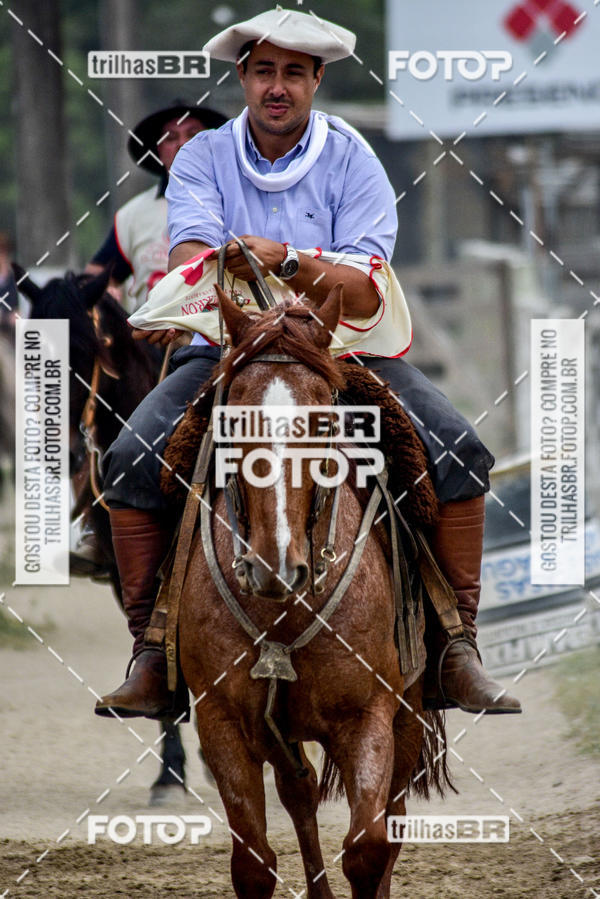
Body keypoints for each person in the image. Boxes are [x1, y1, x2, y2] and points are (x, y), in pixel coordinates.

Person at [95, 7, 521, 720]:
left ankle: (456, 646)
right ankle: (152, 653)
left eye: (294, 72)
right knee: (131, 457)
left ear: (317, 79)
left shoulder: (353, 157)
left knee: (459, 449)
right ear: (242, 78)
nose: (277, 86)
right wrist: (238, 273)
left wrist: (285, 259)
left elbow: (364, 288)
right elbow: (189, 262)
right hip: (224, 352)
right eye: (264, 70)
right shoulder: (202, 157)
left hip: (342, 353)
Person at [71, 101, 227, 577]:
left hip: (218, 340)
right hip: (147, 344)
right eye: (170, 138)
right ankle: (97, 521)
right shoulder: (133, 215)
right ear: (157, 152)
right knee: (101, 408)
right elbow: (97, 276)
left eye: (193, 134)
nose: (182, 145)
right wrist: (106, 301)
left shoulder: (233, 197)